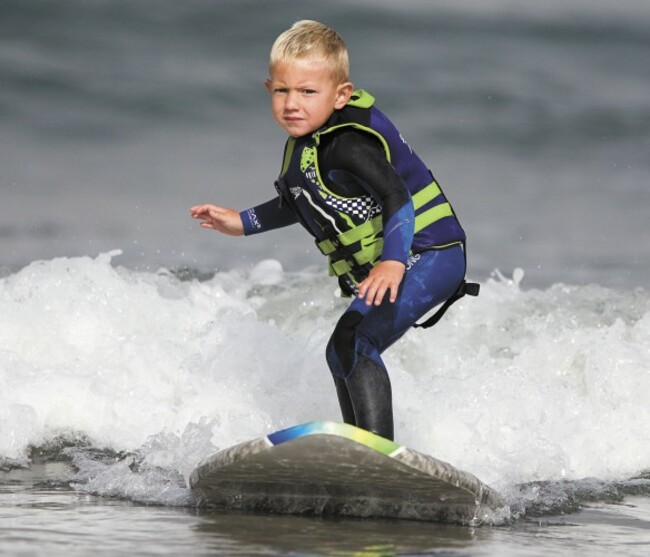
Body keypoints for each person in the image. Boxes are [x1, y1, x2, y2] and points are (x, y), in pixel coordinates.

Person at [190, 20, 474, 441]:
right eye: (282, 90)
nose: (292, 103)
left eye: (308, 92)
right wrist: (240, 222)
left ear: (340, 95)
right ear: (268, 88)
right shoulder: (309, 143)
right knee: (341, 347)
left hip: (430, 253)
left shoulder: (348, 144)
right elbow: (301, 201)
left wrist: (393, 262)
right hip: (404, 257)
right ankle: (360, 449)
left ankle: (378, 455)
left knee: (357, 342)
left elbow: (398, 196)